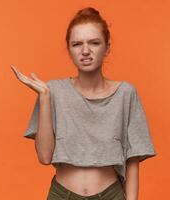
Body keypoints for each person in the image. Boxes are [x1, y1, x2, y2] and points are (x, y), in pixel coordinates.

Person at [11, 6, 156, 200]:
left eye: (94, 43)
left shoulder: (126, 94)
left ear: (107, 47)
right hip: (62, 195)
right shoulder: (53, 91)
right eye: (77, 44)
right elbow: (45, 157)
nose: (85, 51)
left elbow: (133, 160)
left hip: (111, 195)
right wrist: (45, 97)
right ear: (69, 50)